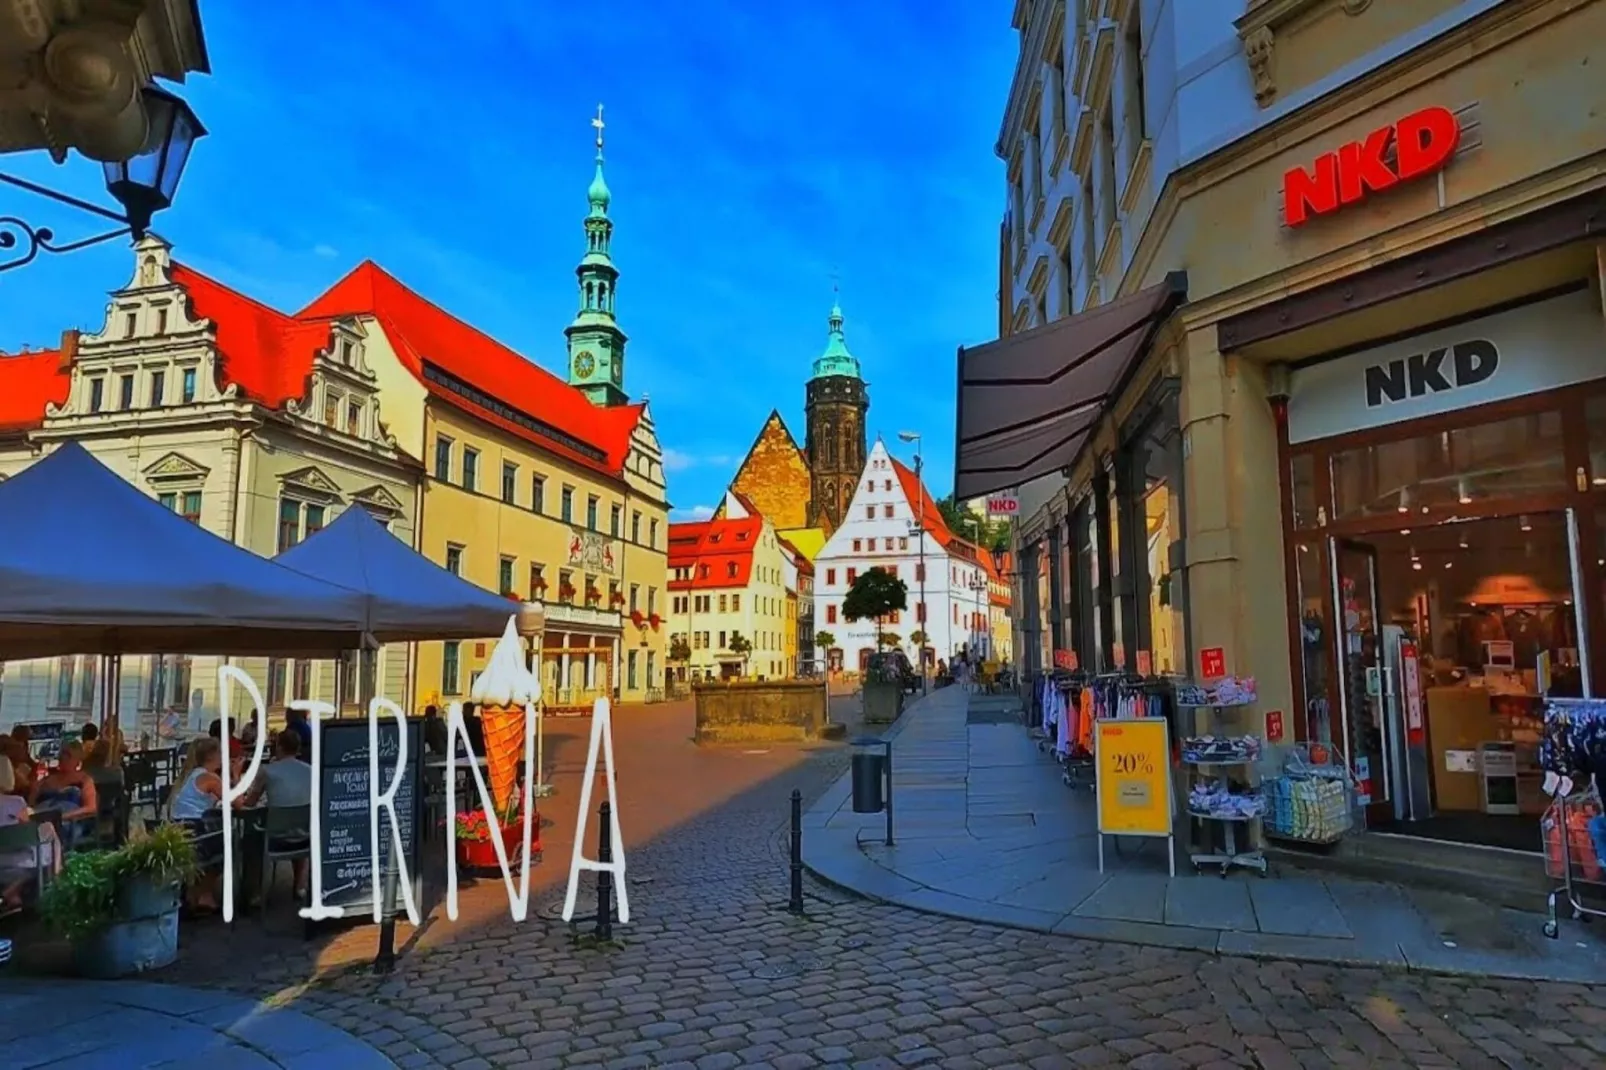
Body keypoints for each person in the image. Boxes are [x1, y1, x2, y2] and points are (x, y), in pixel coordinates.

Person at [240, 730, 312, 899]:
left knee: (251, 838)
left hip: (275, 838)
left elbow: (249, 803)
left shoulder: (267, 771)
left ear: (278, 746)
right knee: (297, 827)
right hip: (305, 837)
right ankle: (300, 886)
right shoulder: (310, 770)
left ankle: (255, 893)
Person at [170, 737, 228, 912]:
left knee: (220, 839)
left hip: (179, 830)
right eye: (220, 753)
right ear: (212, 756)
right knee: (231, 846)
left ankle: (200, 893)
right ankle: (202, 894)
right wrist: (234, 773)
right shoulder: (209, 777)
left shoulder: (190, 775)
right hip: (195, 833)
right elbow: (238, 801)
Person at [0, 760, 60, 911]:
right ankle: (57, 883)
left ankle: (11, 895)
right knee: (46, 844)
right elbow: (26, 829)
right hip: (18, 860)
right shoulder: (16, 803)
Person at [28, 741, 98, 847]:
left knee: (54, 832)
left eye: (68, 755)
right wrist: (34, 791)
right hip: (42, 818)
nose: (63, 758)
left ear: (77, 760)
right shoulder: (47, 780)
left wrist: (63, 816)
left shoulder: (84, 780)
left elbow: (91, 807)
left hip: (69, 821)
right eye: (62, 754)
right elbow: (30, 805)